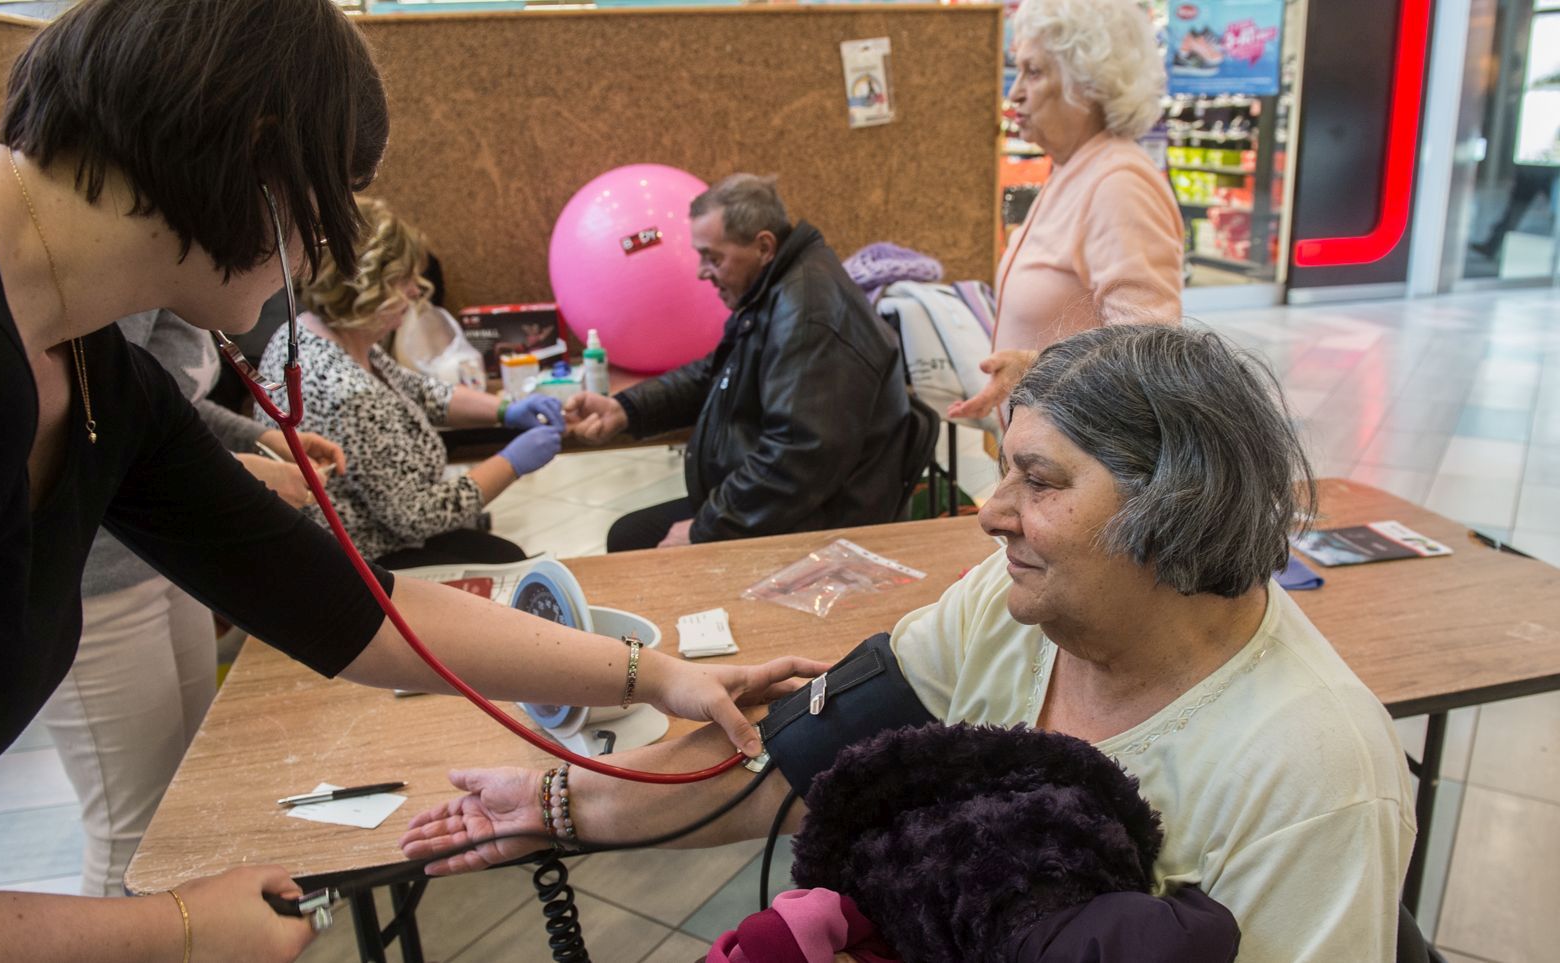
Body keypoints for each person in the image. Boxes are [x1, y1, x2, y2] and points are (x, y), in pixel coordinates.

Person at [0, 2, 823, 960]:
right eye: (329, 200)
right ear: (260, 158)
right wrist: (175, 929)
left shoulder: (93, 366)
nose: (318, 253)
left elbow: (352, 607)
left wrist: (659, 675)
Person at [404, 325, 1416, 961]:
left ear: (1174, 508)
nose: (991, 513)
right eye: (1003, 470)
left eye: (1040, 481)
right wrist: (565, 804)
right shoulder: (1008, 608)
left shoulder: (1315, 774)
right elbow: (804, 761)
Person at [43, 309, 346, 899]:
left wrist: (254, 437)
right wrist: (235, 472)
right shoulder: (96, 299)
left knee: (185, 800)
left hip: (162, 560)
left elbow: (160, 404)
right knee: (130, 828)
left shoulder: (165, 301)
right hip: (96, 582)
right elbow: (83, 426)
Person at [563, 174, 920, 551]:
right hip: (792, 507)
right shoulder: (776, 287)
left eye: (713, 257)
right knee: (628, 534)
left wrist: (704, 530)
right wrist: (626, 409)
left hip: (821, 526)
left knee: (631, 540)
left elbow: (795, 460)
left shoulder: (808, 315)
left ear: (764, 246)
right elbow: (716, 373)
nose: (701, 272)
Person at [257, 196, 559, 568]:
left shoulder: (309, 332)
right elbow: (417, 515)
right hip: (365, 558)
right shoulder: (349, 391)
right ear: (365, 285)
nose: (416, 290)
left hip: (370, 534)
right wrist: (512, 462)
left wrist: (504, 409)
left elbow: (415, 389)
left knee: (501, 554)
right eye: (403, 280)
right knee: (509, 561)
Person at [949, 0, 1185, 426]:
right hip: (1052, 444)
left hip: (1082, 454)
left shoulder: (1118, 185)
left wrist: (1035, 368)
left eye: (1034, 72)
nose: (1015, 92)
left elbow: (1149, 360)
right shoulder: (1074, 168)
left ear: (1087, 84)